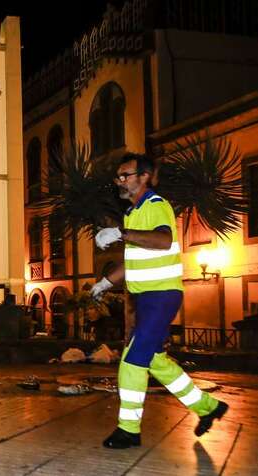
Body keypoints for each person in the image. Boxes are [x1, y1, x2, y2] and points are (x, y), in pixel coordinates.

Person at [92, 152, 228, 449]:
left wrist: (121, 233)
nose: (120, 181)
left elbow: (163, 240)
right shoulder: (132, 213)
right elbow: (135, 259)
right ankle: (208, 407)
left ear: (144, 177)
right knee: (154, 361)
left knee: (132, 360)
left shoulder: (156, 205)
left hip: (161, 296)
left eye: (125, 175)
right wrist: (106, 281)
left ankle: (129, 429)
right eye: (118, 176)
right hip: (146, 299)